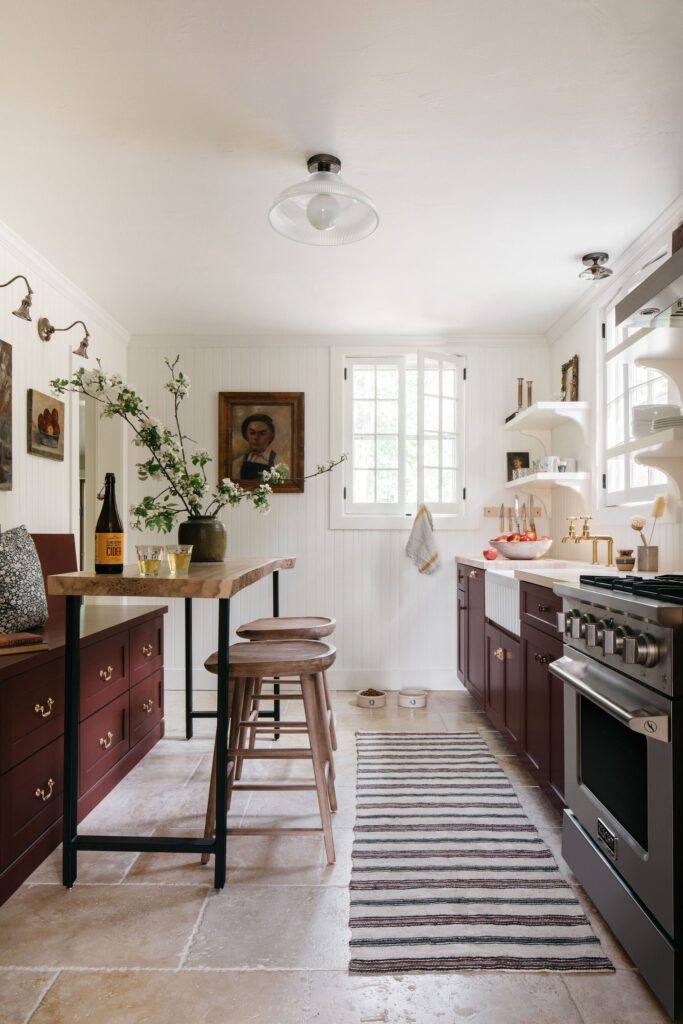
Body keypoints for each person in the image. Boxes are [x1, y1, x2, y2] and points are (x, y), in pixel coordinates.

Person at [231, 413, 279, 481]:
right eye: (252, 433)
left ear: (270, 436)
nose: (256, 438)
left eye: (262, 433)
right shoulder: (238, 463)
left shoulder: (278, 463)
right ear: (246, 435)